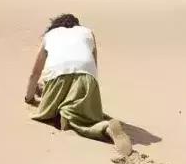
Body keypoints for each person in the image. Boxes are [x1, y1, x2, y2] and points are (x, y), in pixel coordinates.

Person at [24, 14, 133, 156]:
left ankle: (105, 128)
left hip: (58, 79)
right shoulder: (88, 32)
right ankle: (78, 110)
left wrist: (28, 98)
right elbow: (93, 67)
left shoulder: (49, 35)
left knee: (72, 121)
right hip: (87, 79)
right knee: (85, 113)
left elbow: (35, 73)